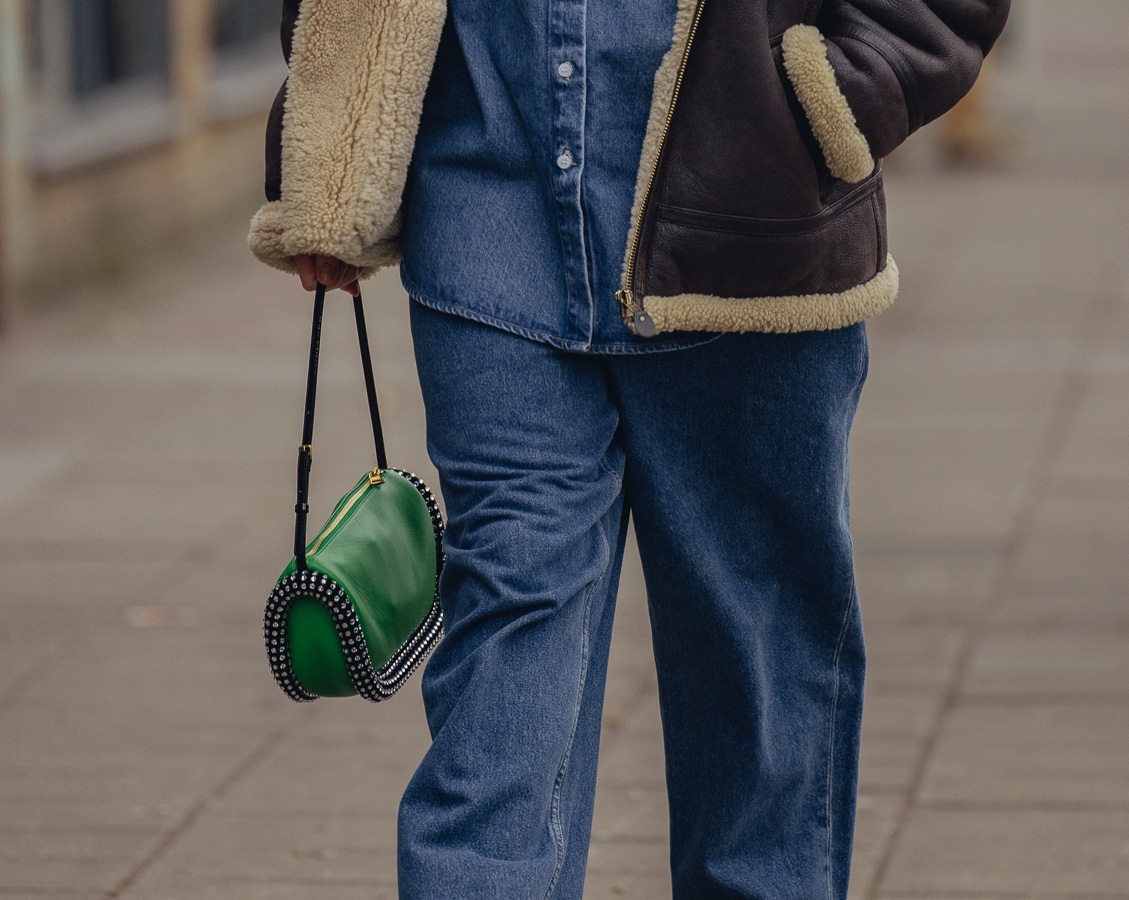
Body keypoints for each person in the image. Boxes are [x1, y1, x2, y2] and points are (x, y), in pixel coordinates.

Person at [250, 1, 1010, 897]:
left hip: (746, 219)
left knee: (755, 651)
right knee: (506, 630)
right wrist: (335, 156)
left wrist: (835, 97)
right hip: (487, 208)